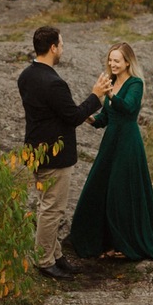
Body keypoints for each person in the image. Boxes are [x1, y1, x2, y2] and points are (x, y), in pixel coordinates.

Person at [18, 26, 111, 281]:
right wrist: (96, 95)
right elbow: (72, 117)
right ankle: (45, 261)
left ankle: (55, 254)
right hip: (54, 156)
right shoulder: (54, 83)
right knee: (52, 210)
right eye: (61, 43)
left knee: (45, 205)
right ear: (53, 48)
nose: (63, 48)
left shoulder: (26, 75)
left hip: (35, 151)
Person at [69, 41, 153, 262]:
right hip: (111, 143)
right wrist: (85, 116)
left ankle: (126, 245)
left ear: (127, 62)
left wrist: (108, 95)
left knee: (121, 193)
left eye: (116, 60)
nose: (112, 63)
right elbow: (104, 120)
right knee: (99, 190)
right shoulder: (112, 81)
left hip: (128, 143)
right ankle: (103, 241)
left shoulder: (135, 83)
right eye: (110, 60)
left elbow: (127, 108)